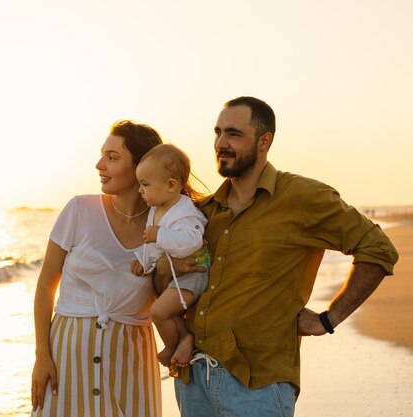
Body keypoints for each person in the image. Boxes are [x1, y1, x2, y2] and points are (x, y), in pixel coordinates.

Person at [155, 96, 399, 417]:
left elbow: (378, 249)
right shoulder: (202, 213)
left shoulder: (302, 197)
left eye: (233, 134)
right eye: (217, 133)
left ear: (264, 140)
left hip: (257, 386)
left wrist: (329, 318)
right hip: (193, 380)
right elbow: (167, 280)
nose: (221, 143)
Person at [31, 120, 164, 417]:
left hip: (132, 364)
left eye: (113, 158)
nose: (99, 164)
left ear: (142, 166)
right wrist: (42, 356)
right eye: (102, 155)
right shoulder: (79, 210)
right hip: (66, 358)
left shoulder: (166, 226)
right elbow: (45, 284)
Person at [130, 143, 210, 369]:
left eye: (145, 184)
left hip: (193, 275)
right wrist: (144, 261)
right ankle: (185, 337)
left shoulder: (185, 212)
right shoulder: (157, 209)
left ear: (171, 185)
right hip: (176, 276)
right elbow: (155, 246)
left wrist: (160, 234)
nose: (140, 190)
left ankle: (172, 346)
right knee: (168, 311)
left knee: (158, 311)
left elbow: (191, 242)